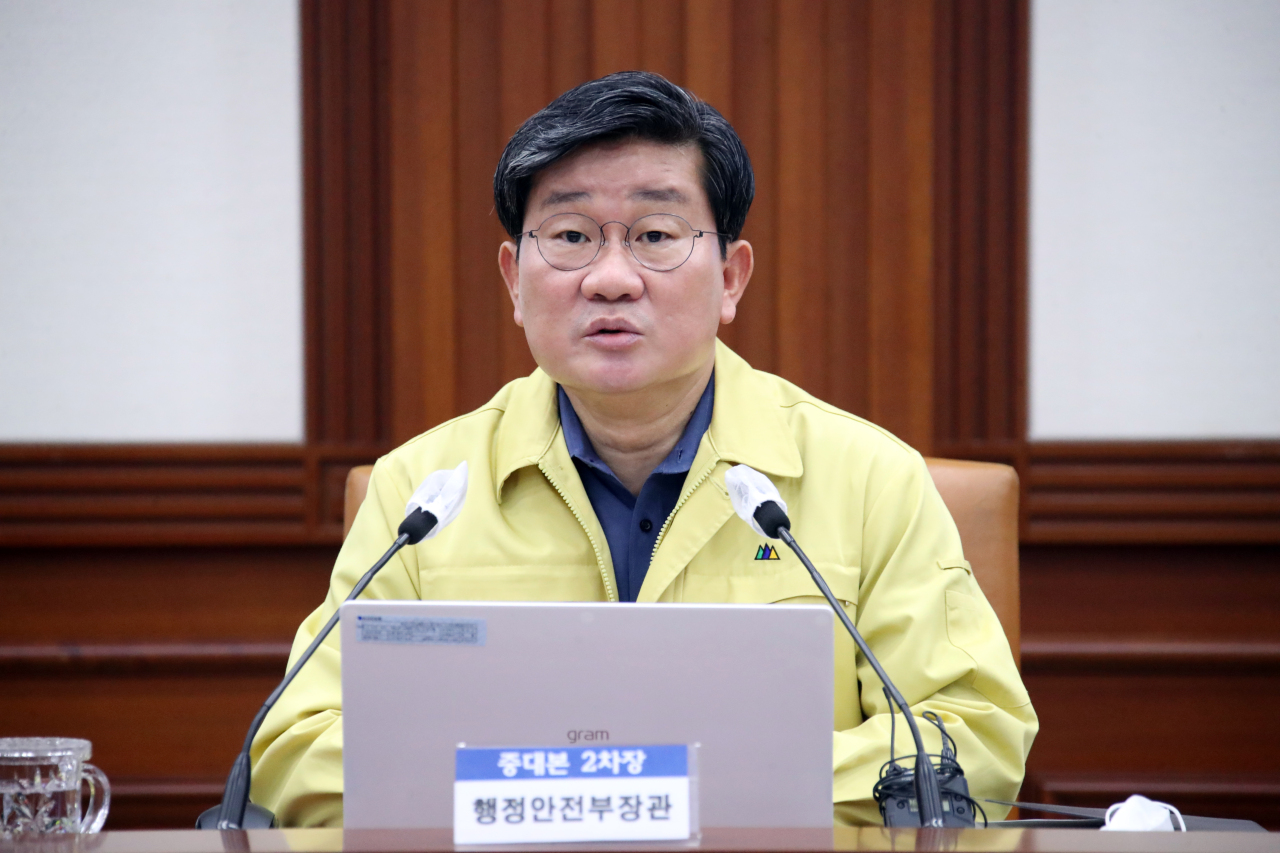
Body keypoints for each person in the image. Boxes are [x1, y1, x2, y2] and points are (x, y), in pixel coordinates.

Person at [250, 70, 1037, 828]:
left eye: (656, 234)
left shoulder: (869, 479)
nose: (612, 278)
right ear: (513, 283)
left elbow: (972, 736)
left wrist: (675, 794)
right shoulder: (423, 491)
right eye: (570, 235)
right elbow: (296, 744)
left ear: (730, 277)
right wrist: (571, 800)